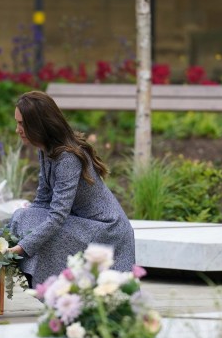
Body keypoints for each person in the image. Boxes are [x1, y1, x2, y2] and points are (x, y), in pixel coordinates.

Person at [8, 91, 135, 286]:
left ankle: (51, 287)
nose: (17, 130)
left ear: (39, 125)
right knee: (22, 217)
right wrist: (15, 231)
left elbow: (57, 216)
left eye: (22, 124)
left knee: (30, 224)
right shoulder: (46, 150)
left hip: (105, 229)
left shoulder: (67, 158)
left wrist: (22, 248)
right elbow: (42, 200)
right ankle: (47, 285)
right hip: (80, 221)